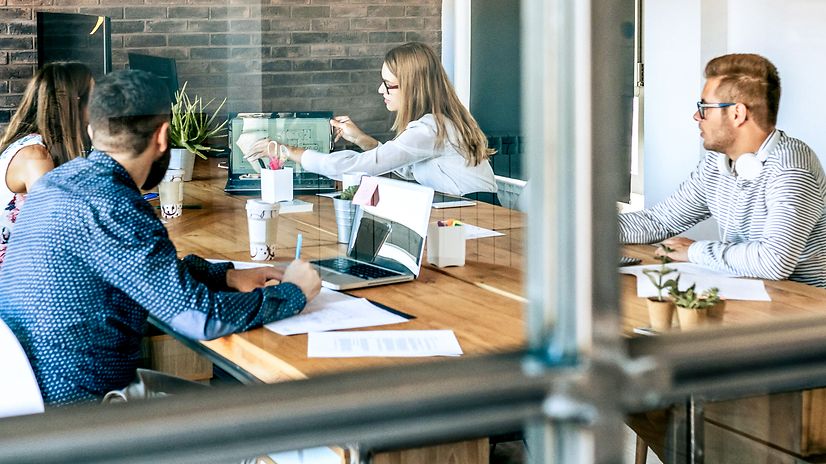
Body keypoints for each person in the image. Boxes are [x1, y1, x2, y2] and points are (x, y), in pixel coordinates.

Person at [0, 69, 321, 406]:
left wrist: (225, 275)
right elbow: (199, 317)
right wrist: (294, 292)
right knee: (259, 417)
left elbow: (136, 268)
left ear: (93, 129)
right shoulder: (115, 204)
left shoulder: (58, 182)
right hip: (83, 411)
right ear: (163, 136)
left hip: (29, 394)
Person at [619, 53, 826, 288]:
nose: (697, 116)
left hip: (806, 310)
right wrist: (587, 229)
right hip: (752, 295)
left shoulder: (792, 168)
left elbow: (774, 261)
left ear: (737, 113)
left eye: (705, 107)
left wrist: (695, 251)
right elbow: (658, 221)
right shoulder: (717, 164)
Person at [245, 42, 498, 197]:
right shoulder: (439, 123)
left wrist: (289, 151)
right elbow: (407, 169)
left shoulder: (430, 128)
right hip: (468, 213)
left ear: (413, 87)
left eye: (388, 85)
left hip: (480, 216)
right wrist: (362, 140)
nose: (381, 91)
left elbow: (355, 168)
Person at [0, 62, 93, 265]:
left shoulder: (42, 147)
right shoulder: (35, 157)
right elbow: (54, 230)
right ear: (73, 103)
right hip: (15, 280)